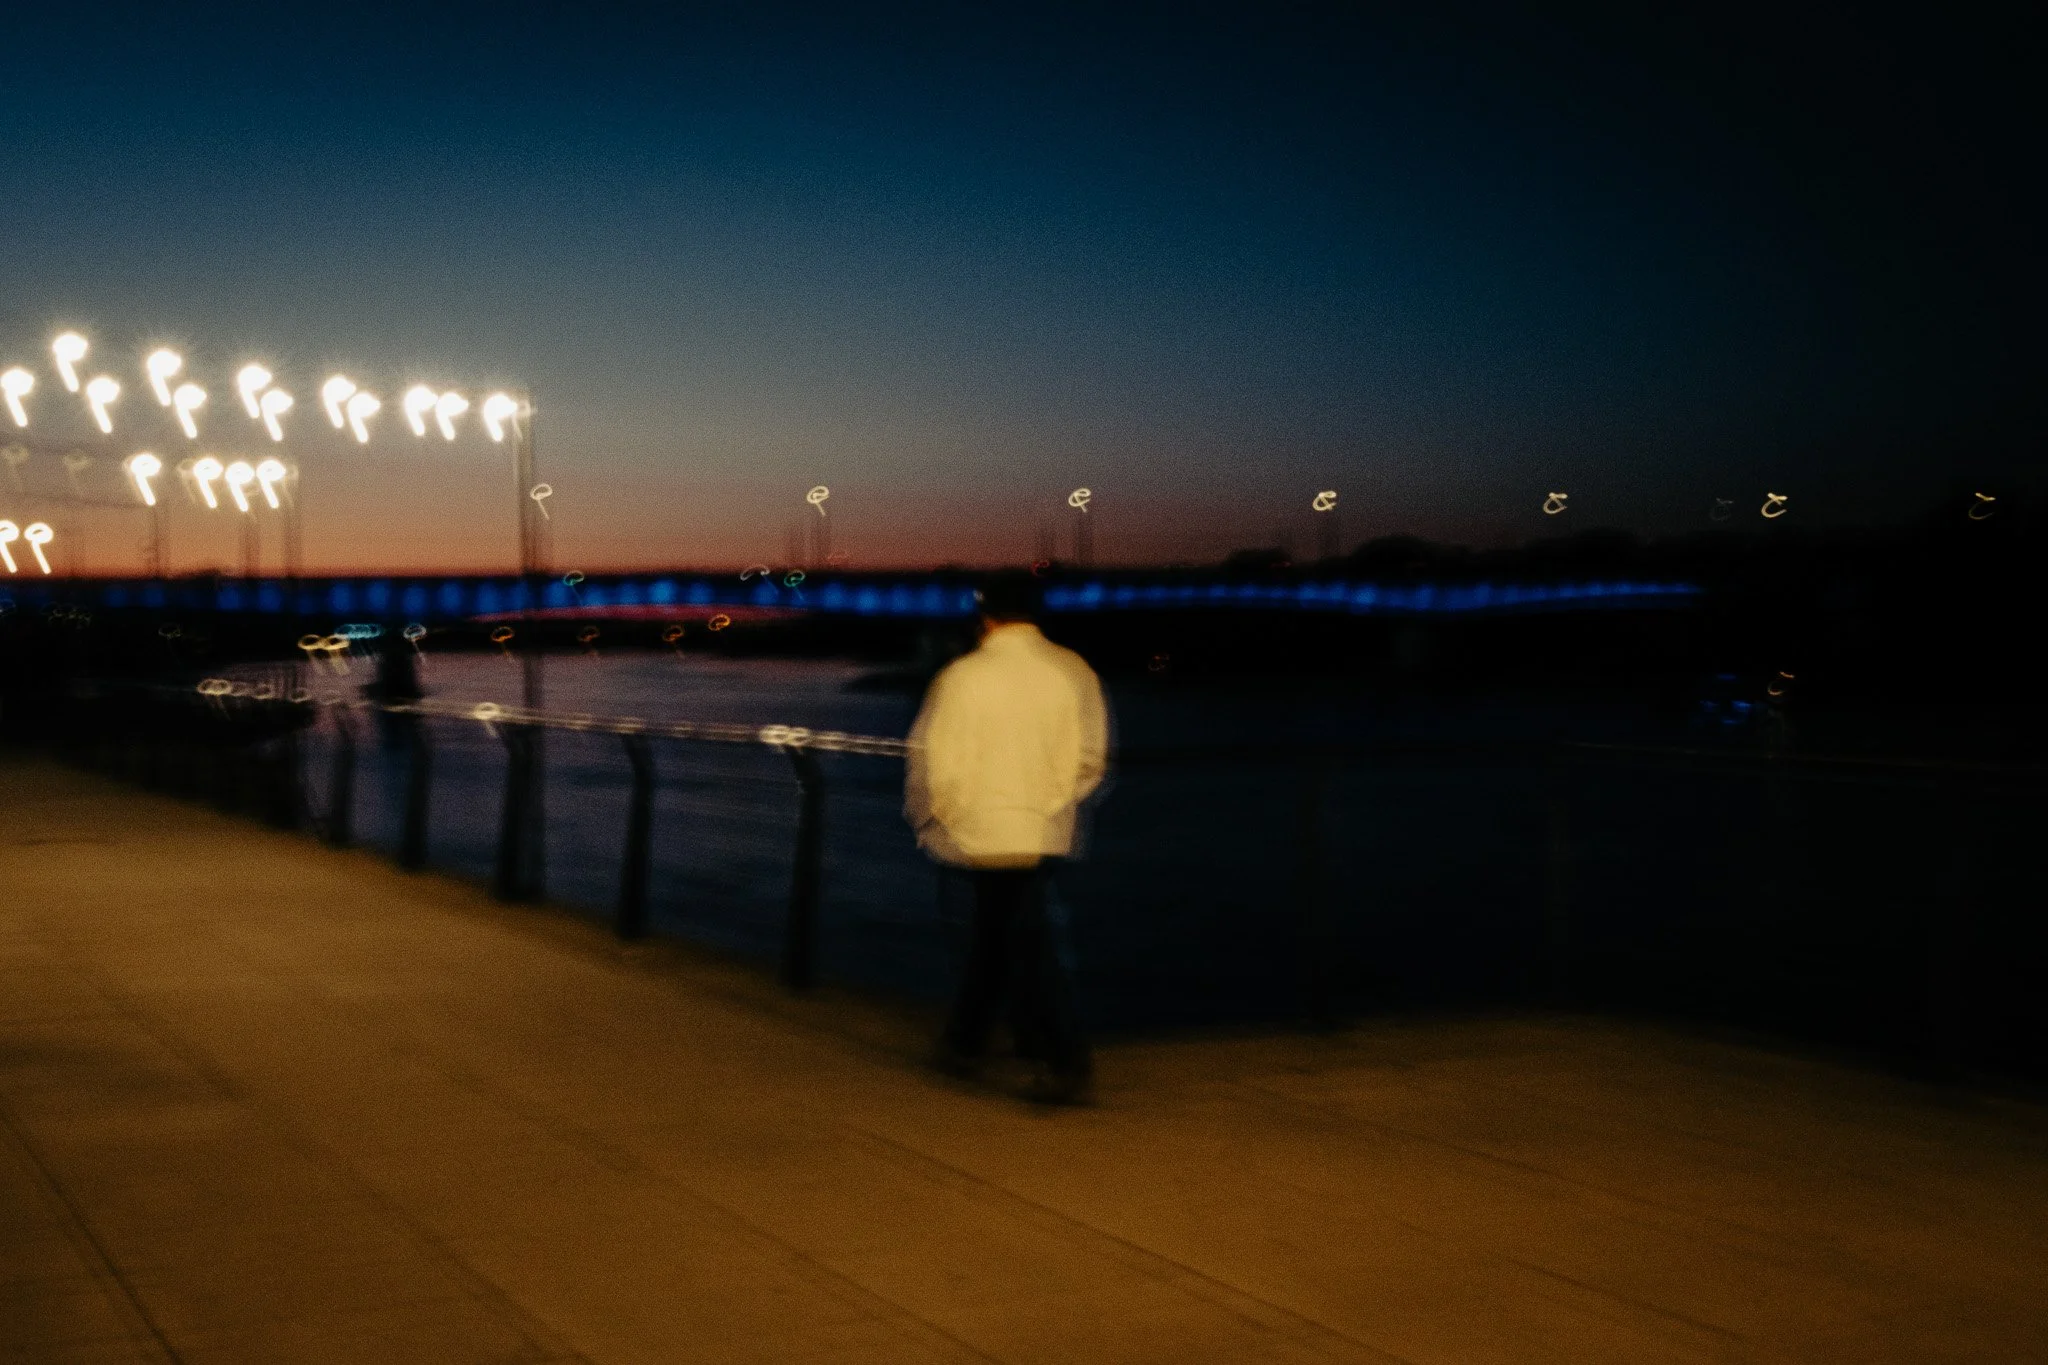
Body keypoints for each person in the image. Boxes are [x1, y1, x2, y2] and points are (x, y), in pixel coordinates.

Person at [905, 570, 1109, 1104]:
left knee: (1015, 939)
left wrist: (935, 817)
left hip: (978, 830)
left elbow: (934, 760)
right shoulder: (1074, 670)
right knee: (1007, 932)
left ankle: (1059, 1057)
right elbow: (1091, 759)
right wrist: (1048, 802)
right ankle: (971, 1042)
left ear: (985, 617)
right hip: (1041, 828)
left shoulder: (963, 676)